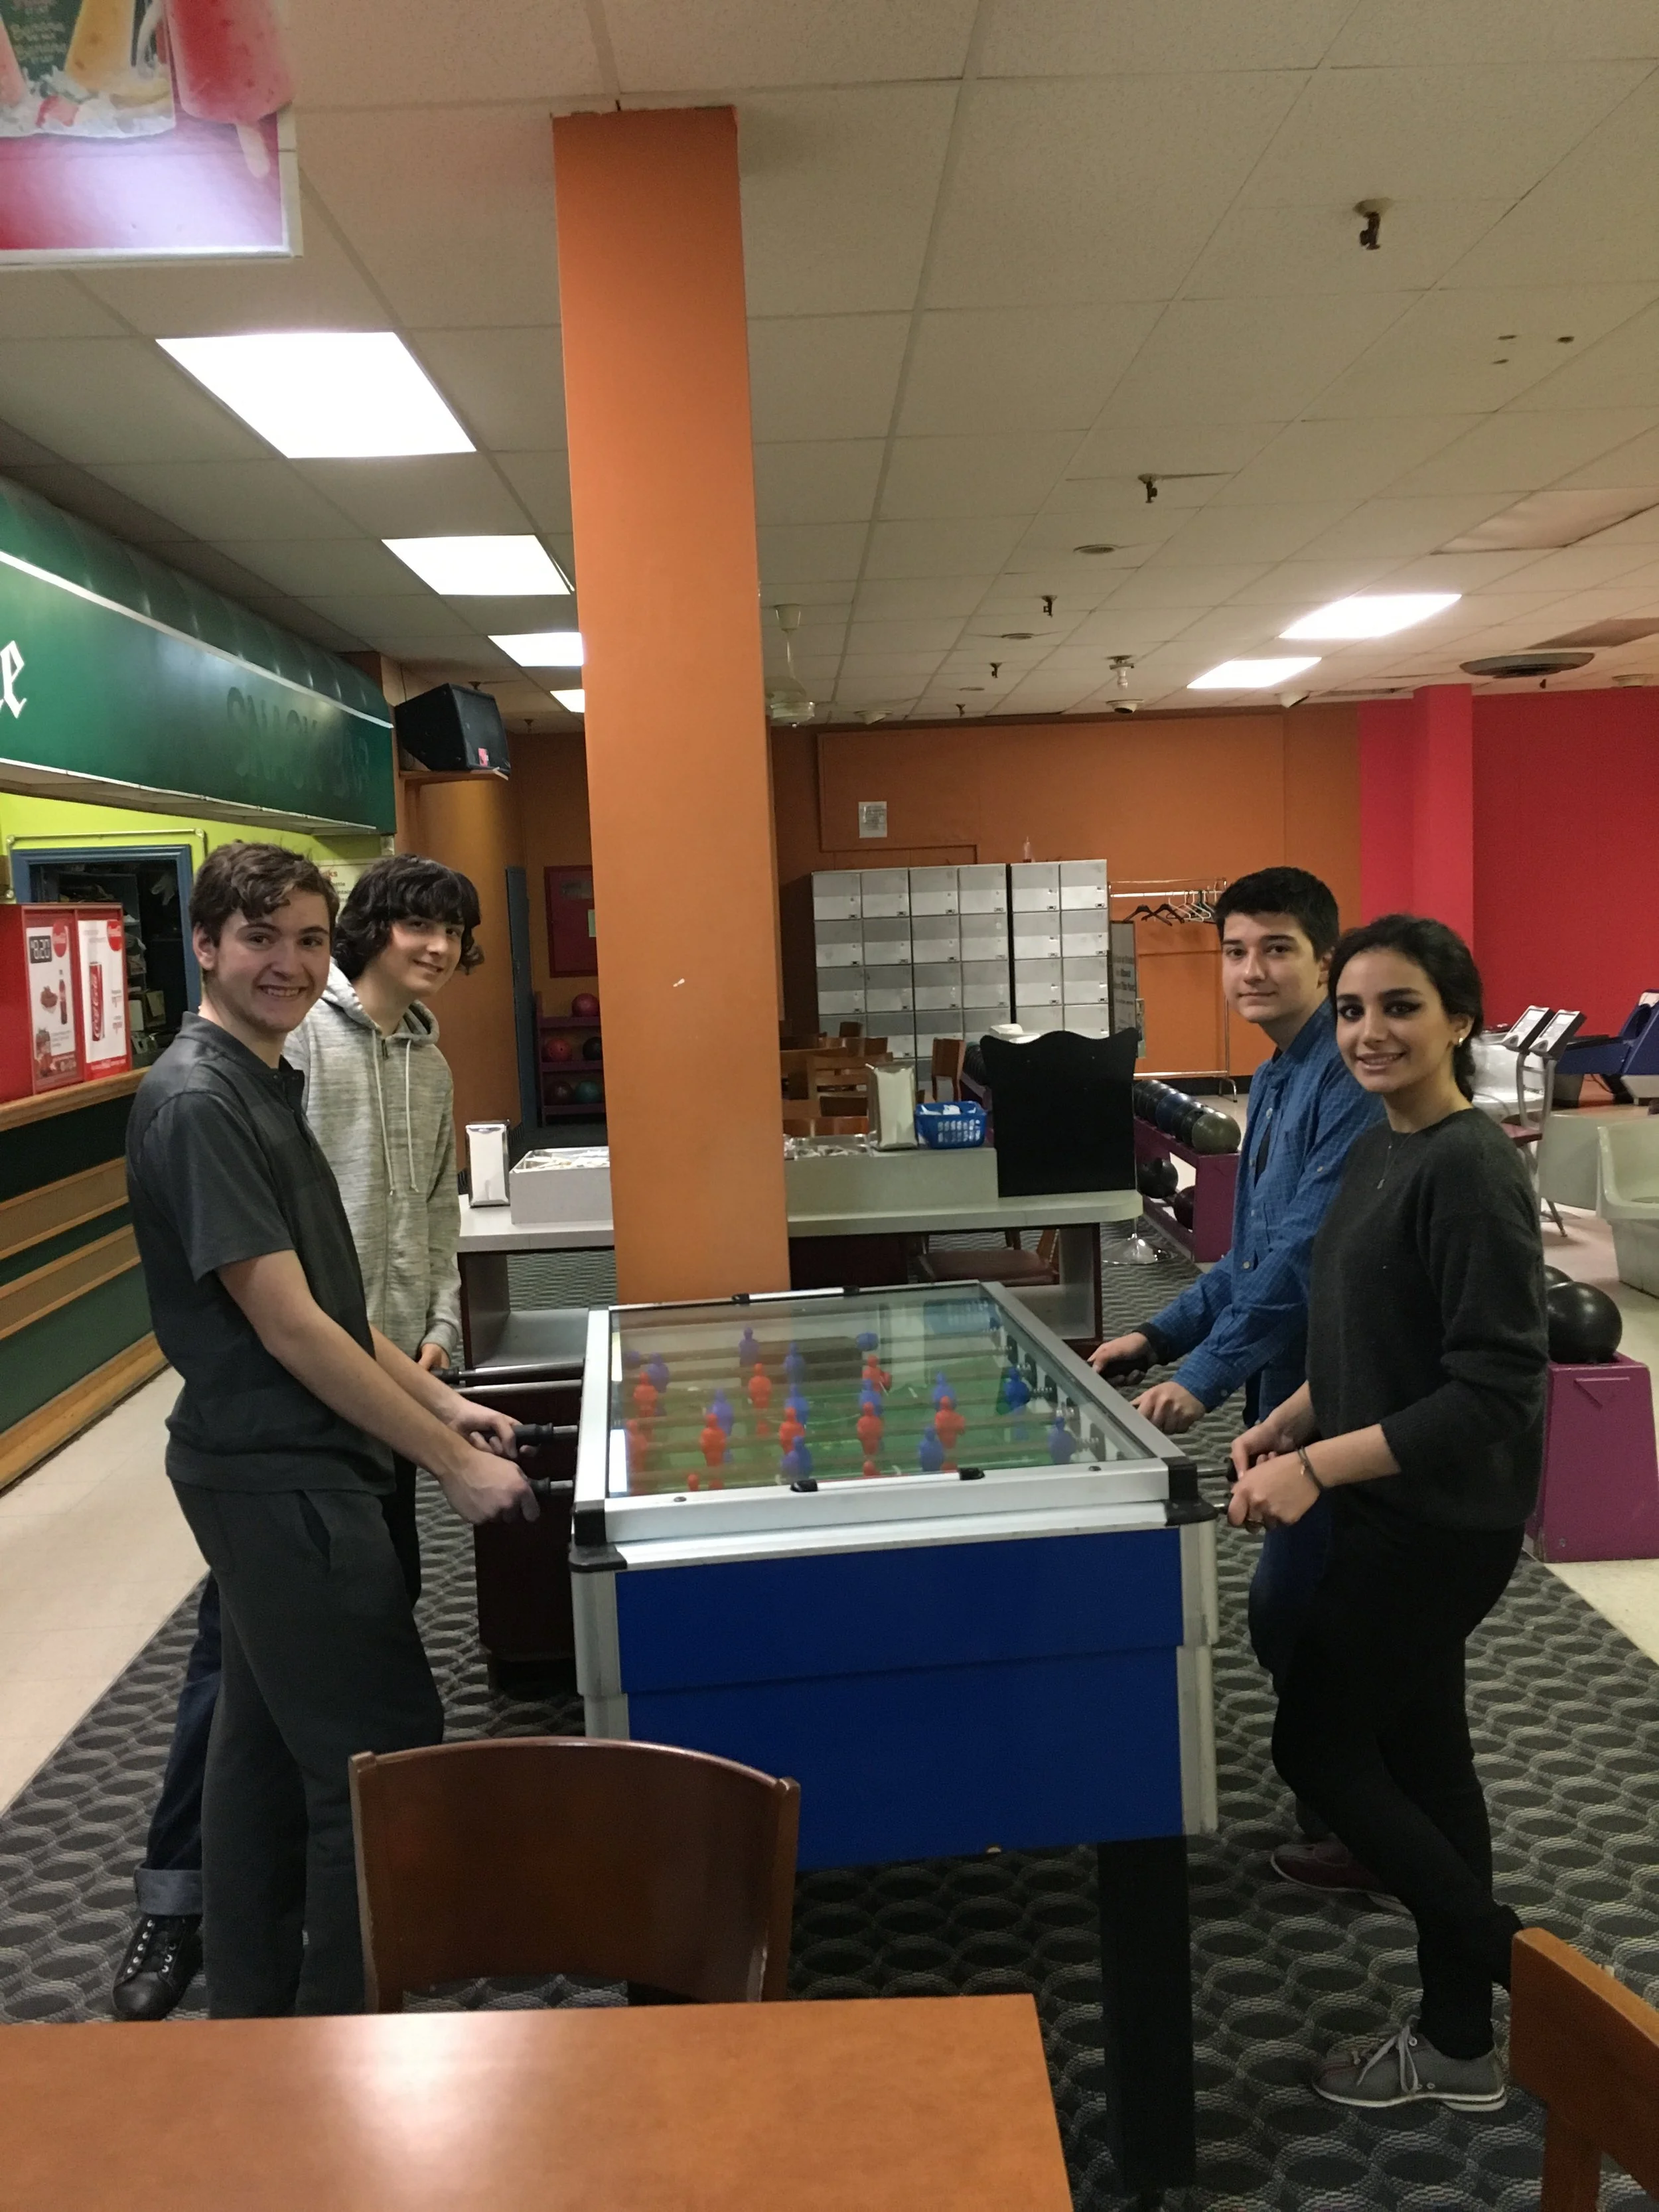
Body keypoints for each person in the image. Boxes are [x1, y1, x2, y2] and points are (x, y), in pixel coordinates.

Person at [119, 842, 532, 2020]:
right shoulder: (200, 1098)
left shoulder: (261, 1076)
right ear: (204, 945)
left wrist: (441, 1398)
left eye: (306, 938)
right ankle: (357, 2038)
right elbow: (289, 1325)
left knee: (257, 1768)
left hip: (303, 1454)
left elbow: (339, 1299)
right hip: (280, 1472)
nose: (288, 964)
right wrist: (446, 1459)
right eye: (260, 939)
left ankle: (257, 2016)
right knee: (378, 1763)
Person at [1228, 914, 1546, 2110]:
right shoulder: (1383, 1145)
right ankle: (1461, 2045)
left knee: (1317, 1742)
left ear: (1460, 1019)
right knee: (1428, 1760)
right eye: (1355, 1010)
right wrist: (1294, 1420)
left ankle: (1498, 1954)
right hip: (1381, 1502)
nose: (1369, 1032)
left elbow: (1494, 1389)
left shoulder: (1468, 1166)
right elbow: (1369, 1336)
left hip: (1436, 1526)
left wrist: (1318, 1472)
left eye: (1400, 1007)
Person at [1090, 867, 1384, 1886]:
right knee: (1295, 1611)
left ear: (1324, 961)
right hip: (1284, 1386)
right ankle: (1347, 1804)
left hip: (1344, 1398)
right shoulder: (1276, 1076)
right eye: (1237, 951)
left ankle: (1371, 1823)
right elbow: (1252, 1254)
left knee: (1314, 1611)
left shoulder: (1345, 1083)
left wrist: (1200, 1376)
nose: (1252, 971)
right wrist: (1160, 1336)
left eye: (1278, 950)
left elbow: (1303, 1257)